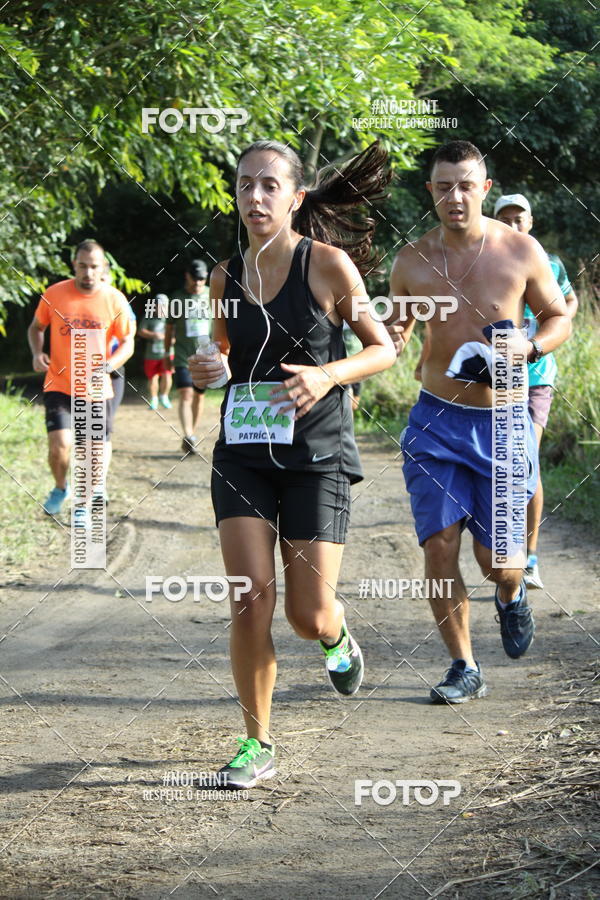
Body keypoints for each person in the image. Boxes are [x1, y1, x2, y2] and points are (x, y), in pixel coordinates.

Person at [189, 139, 396, 787]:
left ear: (295, 198)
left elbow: (382, 349)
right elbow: (223, 355)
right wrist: (210, 369)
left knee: (307, 615)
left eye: (269, 186)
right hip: (243, 453)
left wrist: (327, 375)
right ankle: (257, 743)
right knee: (250, 597)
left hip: (316, 455)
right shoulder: (224, 276)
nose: (254, 196)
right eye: (244, 184)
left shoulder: (327, 265)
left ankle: (335, 635)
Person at [386, 141, 571, 704]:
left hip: (505, 420)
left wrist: (531, 347)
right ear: (431, 192)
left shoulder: (520, 250)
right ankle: (463, 665)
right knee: (439, 546)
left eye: (466, 185)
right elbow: (394, 335)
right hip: (436, 423)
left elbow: (558, 317)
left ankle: (511, 595)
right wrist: (369, 346)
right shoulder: (411, 261)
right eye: (444, 187)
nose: (456, 197)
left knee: (498, 564)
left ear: (484, 188)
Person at [494, 194, 578, 589]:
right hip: (496, 378)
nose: (513, 225)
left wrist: (549, 330)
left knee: (526, 459)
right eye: (505, 219)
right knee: (499, 464)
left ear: (530, 221)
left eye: (519, 218)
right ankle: (502, 554)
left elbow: (569, 301)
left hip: (537, 376)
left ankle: (528, 557)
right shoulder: (487, 259)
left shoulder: (550, 262)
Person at [28, 239, 134, 518]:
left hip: (95, 387)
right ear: (74, 264)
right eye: (83, 266)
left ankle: (82, 506)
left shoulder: (114, 299)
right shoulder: (55, 293)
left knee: (93, 452)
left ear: (104, 267)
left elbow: (128, 342)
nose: (88, 273)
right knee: (60, 446)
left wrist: (109, 365)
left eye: (94, 267)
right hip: (59, 383)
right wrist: (37, 353)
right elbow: (36, 327)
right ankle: (61, 488)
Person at [164, 260, 211, 455]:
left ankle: (191, 433)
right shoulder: (177, 298)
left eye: (202, 279)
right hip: (183, 354)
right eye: (195, 278)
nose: (198, 283)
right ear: (187, 276)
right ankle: (189, 435)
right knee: (186, 393)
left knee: (199, 396)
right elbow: (169, 328)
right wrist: (167, 353)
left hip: (205, 356)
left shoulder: (212, 295)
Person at [138, 294, 173, 410]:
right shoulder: (148, 317)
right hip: (151, 354)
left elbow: (178, 335)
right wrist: (154, 335)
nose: (162, 308)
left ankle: (164, 397)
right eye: (159, 305)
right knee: (152, 377)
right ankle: (154, 399)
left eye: (164, 305)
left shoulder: (171, 318)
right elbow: (141, 331)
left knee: (167, 374)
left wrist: (169, 339)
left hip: (167, 353)